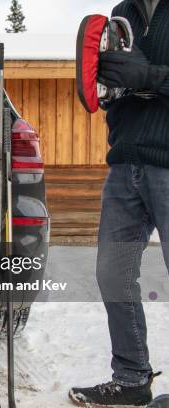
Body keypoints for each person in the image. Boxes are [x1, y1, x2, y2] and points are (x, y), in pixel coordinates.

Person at [69, 0, 169, 406]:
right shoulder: (123, 10)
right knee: (113, 275)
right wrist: (112, 88)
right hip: (125, 164)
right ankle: (131, 378)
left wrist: (151, 77)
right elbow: (112, 88)